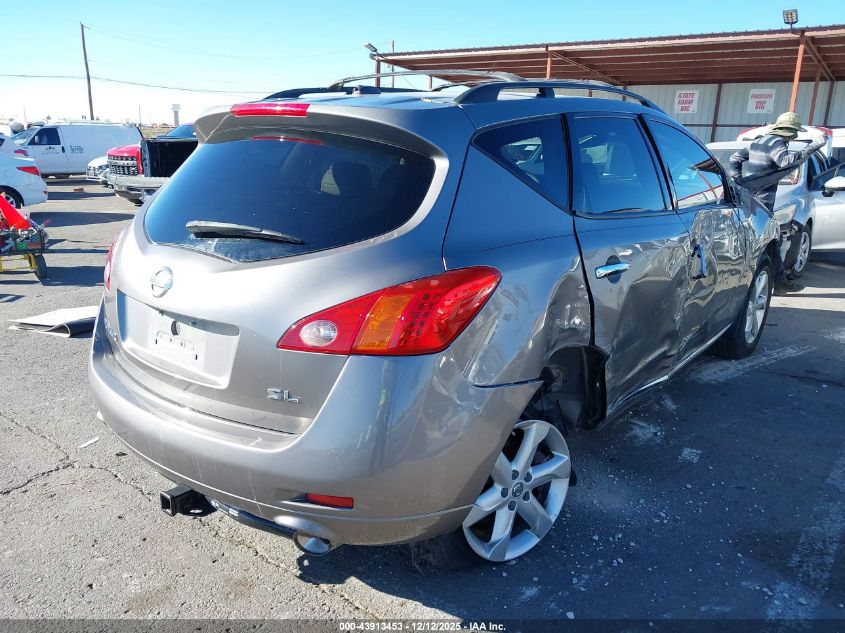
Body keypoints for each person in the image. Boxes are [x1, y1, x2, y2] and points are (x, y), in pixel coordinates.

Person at [729, 112, 826, 294]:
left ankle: (779, 282)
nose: (795, 136)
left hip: (750, 198)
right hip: (764, 203)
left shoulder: (760, 141)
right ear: (789, 132)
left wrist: (740, 182)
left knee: (771, 240)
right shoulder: (777, 143)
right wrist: (814, 146)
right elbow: (786, 162)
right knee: (769, 241)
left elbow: (735, 158)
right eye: (795, 133)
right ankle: (773, 283)